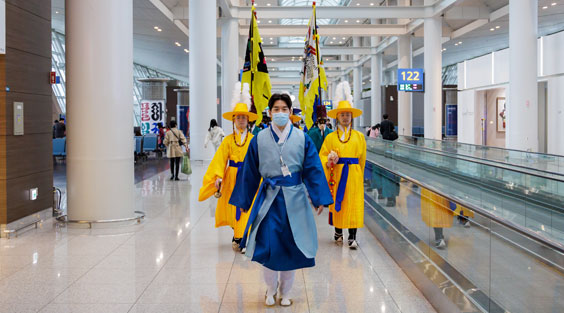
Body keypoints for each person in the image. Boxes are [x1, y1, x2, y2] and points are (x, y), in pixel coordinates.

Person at [230, 93, 333, 307]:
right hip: (269, 201)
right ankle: (270, 288)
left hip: (295, 200)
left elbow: (312, 168)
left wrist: (319, 197)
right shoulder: (258, 139)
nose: (280, 113)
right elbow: (249, 171)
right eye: (275, 109)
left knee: (291, 247)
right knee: (269, 247)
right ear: (269, 113)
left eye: (284, 109)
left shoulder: (302, 138)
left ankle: (286, 291)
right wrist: (243, 200)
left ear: (290, 112)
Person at [198, 82, 257, 252]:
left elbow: (259, 160)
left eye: (243, 117)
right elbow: (220, 160)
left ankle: (243, 237)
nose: (240, 120)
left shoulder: (253, 139)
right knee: (233, 208)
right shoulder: (228, 140)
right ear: (233, 120)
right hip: (231, 178)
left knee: (247, 206)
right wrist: (218, 177)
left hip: (248, 178)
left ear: (247, 120)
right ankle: (237, 234)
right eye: (238, 117)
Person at [319, 81, 366, 249]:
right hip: (337, 175)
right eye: (342, 115)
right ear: (337, 117)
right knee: (338, 201)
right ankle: (338, 231)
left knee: (353, 203)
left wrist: (359, 174)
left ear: (351, 117)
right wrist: (329, 160)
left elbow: (362, 159)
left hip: (353, 174)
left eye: (348, 114)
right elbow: (322, 155)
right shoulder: (331, 137)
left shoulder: (359, 136)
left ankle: (352, 236)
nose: (345, 117)